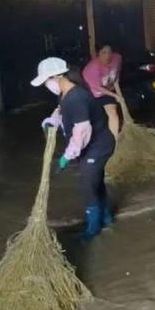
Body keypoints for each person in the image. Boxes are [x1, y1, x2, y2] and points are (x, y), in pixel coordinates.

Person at [33, 57, 116, 241]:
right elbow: (60, 111)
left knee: (87, 184)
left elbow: (81, 134)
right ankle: (107, 217)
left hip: (98, 146)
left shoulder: (76, 97)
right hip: (94, 145)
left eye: (47, 80)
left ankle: (93, 229)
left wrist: (65, 158)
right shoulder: (66, 93)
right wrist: (50, 122)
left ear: (57, 77)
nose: (47, 85)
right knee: (95, 180)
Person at [83, 44, 122, 139]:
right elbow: (98, 88)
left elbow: (117, 72)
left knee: (113, 114)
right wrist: (115, 96)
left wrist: (116, 83)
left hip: (107, 92)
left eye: (110, 52)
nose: (108, 56)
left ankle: (114, 141)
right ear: (98, 54)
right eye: (104, 52)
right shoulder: (91, 68)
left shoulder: (117, 58)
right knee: (97, 121)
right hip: (93, 94)